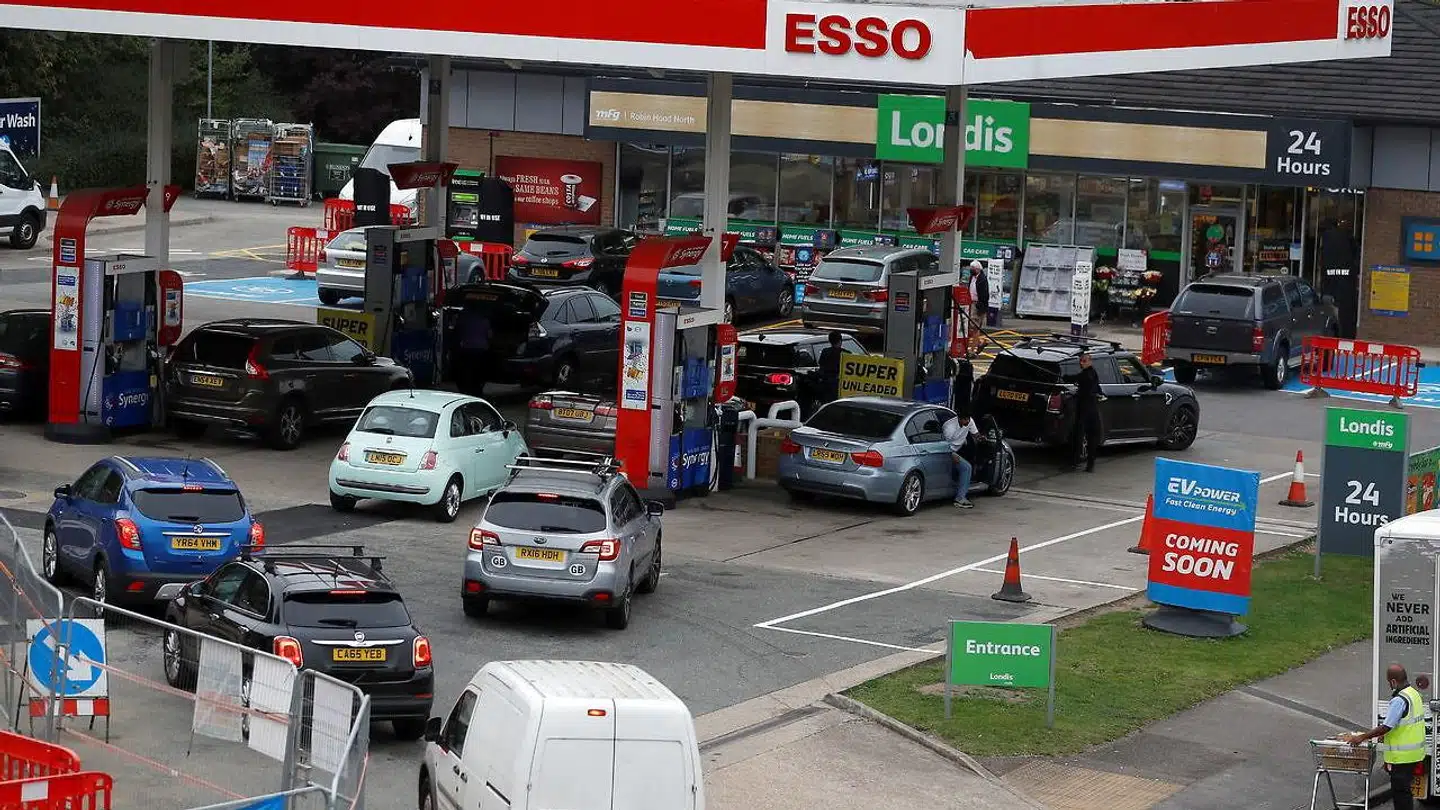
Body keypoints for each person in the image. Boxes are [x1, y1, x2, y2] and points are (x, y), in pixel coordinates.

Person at [1341, 664, 1426, 810]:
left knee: (1401, 794)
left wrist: (1362, 737)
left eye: (1389, 682)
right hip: (1414, 754)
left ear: (1393, 681)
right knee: (1405, 792)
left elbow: (1386, 726)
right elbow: (1405, 725)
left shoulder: (1399, 700)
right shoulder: (1414, 694)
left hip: (1402, 757)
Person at [1069, 351, 1104, 472]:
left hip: (1086, 409)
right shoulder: (1092, 373)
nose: (1081, 363)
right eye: (1080, 361)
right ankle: (1089, 464)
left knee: (1080, 435)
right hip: (1091, 408)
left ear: (1090, 361)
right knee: (1090, 437)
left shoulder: (1086, 375)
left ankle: (1076, 462)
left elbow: (1077, 379)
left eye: (1084, 361)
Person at [943, 410, 979, 509]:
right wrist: (952, 454)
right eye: (965, 420)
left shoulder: (969, 421)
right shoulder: (949, 428)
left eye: (968, 419)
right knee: (966, 468)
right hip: (946, 451)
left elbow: (975, 433)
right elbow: (943, 445)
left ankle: (958, 490)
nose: (967, 422)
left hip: (958, 449)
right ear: (959, 418)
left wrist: (981, 437)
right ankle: (960, 498)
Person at [816, 331, 844, 404]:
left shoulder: (825, 352)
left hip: (825, 384)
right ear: (840, 341)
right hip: (839, 385)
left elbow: (821, 365)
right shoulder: (845, 354)